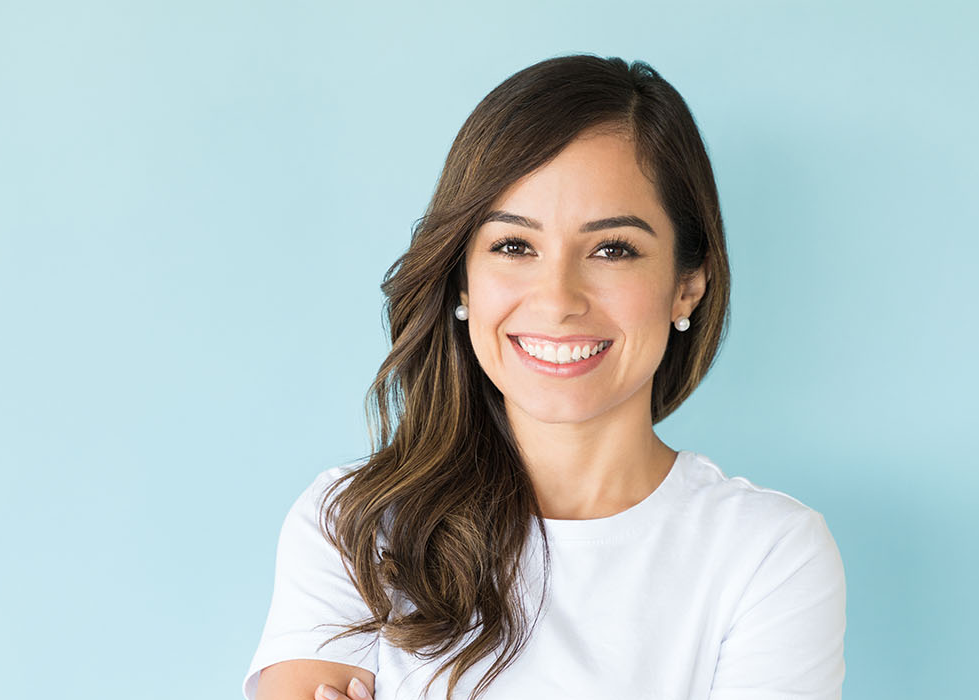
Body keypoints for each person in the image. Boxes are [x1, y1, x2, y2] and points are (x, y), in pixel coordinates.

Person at [241, 54, 847, 700]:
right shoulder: (354, 529)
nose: (558, 299)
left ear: (687, 288)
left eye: (613, 249)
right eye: (514, 246)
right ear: (463, 279)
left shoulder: (768, 559)